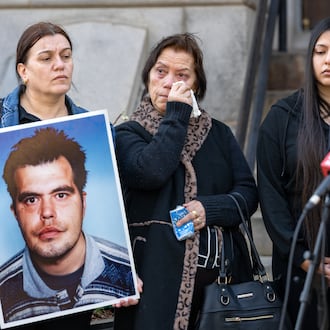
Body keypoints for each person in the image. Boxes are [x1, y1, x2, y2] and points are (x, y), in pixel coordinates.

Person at [0, 21, 141, 329]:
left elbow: (119, 205)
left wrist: (128, 273)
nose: (59, 65)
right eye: (46, 58)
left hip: (74, 302)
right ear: (23, 70)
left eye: (66, 55)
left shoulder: (97, 130)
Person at [113, 32, 258, 330]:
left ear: (196, 85)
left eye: (182, 75)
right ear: (148, 77)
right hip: (155, 286)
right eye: (161, 71)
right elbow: (151, 171)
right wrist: (177, 115)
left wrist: (210, 209)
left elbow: (247, 194)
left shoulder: (218, 133)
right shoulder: (128, 133)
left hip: (221, 292)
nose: (169, 82)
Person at [0, 127, 136, 325]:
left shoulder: (125, 271)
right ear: (15, 212)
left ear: (83, 202)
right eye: (31, 199)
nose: (47, 212)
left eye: (61, 195)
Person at [257, 17, 330, 329]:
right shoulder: (283, 118)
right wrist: (302, 256)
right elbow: (271, 196)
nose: (328, 60)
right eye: (320, 51)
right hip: (301, 268)